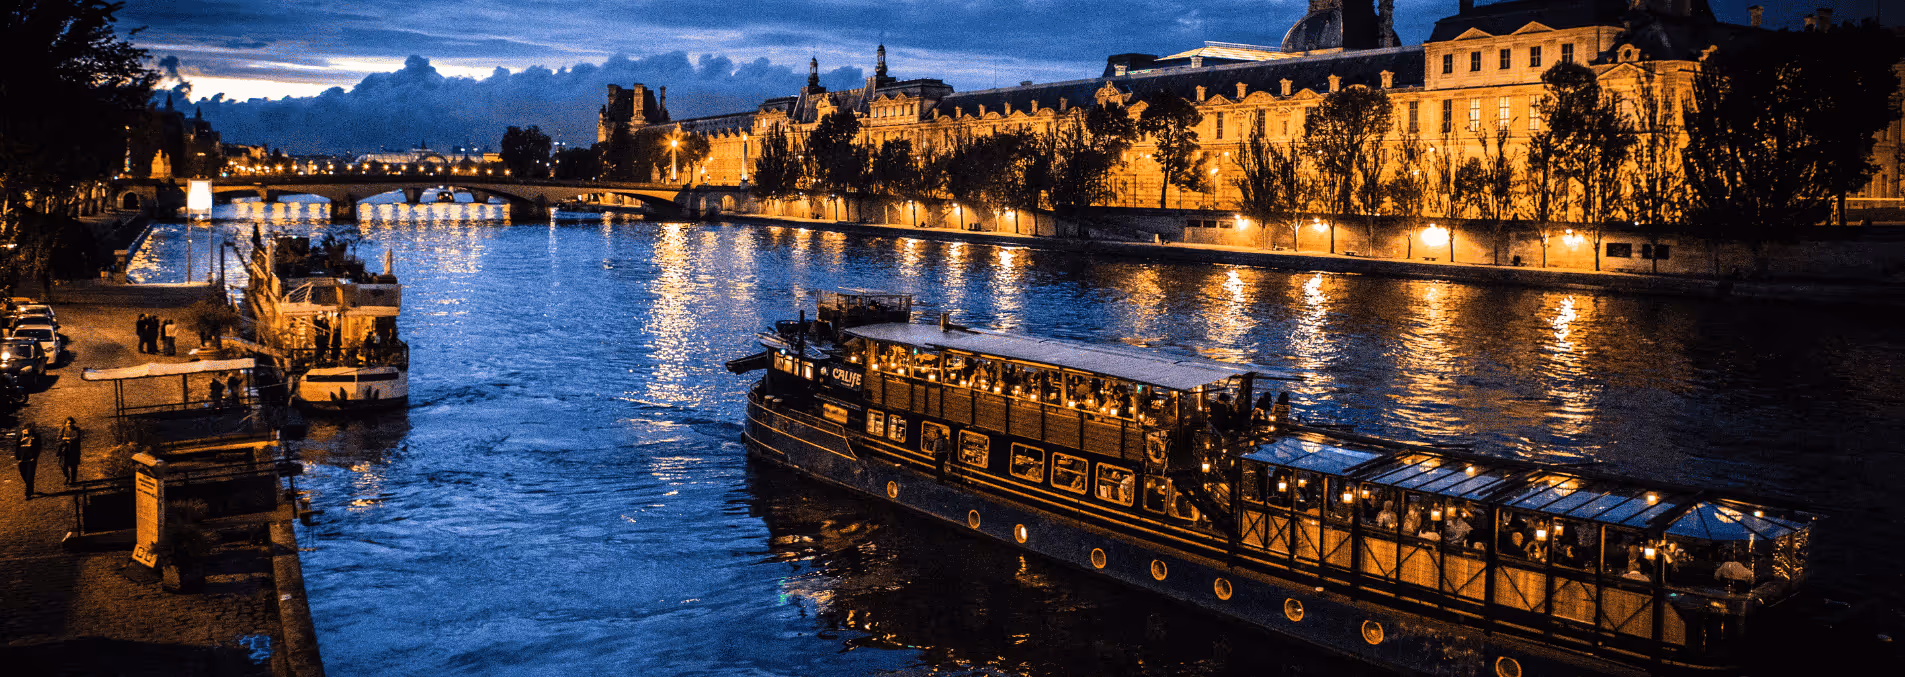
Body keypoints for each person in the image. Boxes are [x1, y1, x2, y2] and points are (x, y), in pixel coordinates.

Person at [14, 425, 40, 498]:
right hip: (22, 459)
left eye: (27, 429)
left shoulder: (36, 437)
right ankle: (30, 488)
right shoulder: (20, 437)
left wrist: (34, 457)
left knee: (29, 475)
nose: (26, 431)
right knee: (23, 474)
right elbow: (17, 448)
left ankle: (28, 493)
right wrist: (18, 458)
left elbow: (38, 448)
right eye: (24, 430)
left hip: (31, 459)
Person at [57, 418, 81, 485]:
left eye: (70, 423)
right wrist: (64, 440)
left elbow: (76, 438)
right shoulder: (63, 430)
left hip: (74, 450)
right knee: (63, 465)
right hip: (64, 450)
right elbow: (59, 438)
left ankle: (73, 480)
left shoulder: (76, 430)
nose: (69, 425)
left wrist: (66, 438)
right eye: (68, 423)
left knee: (73, 466)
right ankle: (66, 476)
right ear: (65, 423)